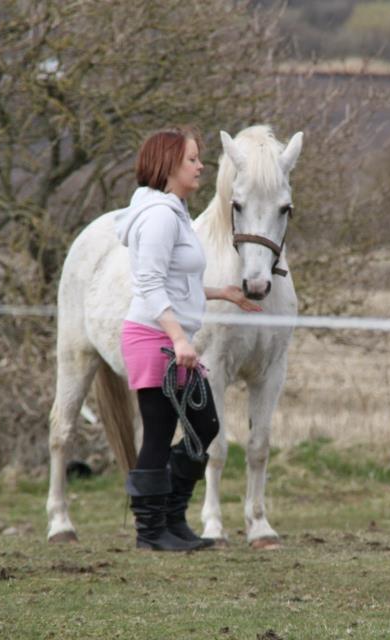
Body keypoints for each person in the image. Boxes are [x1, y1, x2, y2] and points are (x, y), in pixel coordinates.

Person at [114, 127, 261, 551]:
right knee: (160, 435)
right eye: (193, 160)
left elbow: (179, 281)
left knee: (205, 426)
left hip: (170, 339)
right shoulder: (160, 216)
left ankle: (172, 520)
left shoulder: (171, 210)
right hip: (155, 338)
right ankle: (150, 532)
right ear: (169, 165)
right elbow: (150, 284)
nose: (201, 166)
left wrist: (222, 292)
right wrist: (180, 340)